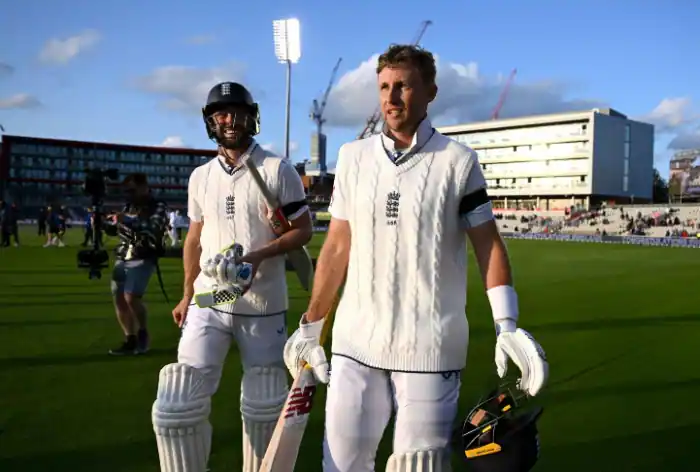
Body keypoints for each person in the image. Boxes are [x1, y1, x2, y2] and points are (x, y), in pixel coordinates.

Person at [282, 44, 550, 472]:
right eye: (384, 86)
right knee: (340, 466)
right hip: (355, 341)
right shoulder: (352, 158)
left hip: (430, 345)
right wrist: (312, 326)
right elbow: (336, 246)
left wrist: (507, 325)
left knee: (418, 466)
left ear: (430, 92)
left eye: (403, 86)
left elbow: (488, 244)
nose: (390, 98)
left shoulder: (459, 162)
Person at [151, 81, 313, 472]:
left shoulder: (277, 169)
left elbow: (303, 230)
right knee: (179, 401)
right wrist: (188, 295)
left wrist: (259, 256)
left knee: (264, 401)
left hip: (262, 302)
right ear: (210, 121)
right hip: (212, 300)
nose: (229, 120)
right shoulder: (200, 176)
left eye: (236, 113)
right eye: (220, 114)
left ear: (251, 117)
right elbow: (194, 239)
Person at [104, 173, 168, 356]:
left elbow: (153, 228)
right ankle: (129, 338)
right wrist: (104, 223)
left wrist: (127, 220)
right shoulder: (129, 206)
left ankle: (142, 331)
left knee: (131, 296)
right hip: (123, 255)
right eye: (127, 191)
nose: (129, 194)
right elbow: (118, 231)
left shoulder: (158, 205)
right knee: (118, 298)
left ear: (143, 187)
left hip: (144, 254)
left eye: (132, 190)